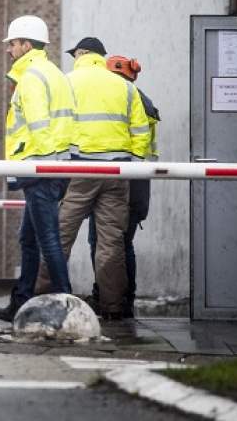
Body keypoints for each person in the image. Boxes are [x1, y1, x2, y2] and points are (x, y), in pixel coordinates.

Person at [38, 37, 151, 320]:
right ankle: (113, 308)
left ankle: (42, 301)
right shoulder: (125, 86)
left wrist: (56, 162)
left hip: (79, 171)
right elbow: (140, 132)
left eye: (75, 54)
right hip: (117, 173)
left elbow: (56, 125)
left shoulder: (66, 82)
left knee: (59, 236)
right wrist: (133, 167)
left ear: (83, 54)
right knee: (111, 243)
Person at [0, 15, 77, 323]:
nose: (9, 50)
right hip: (53, 166)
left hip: (40, 168)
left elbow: (39, 126)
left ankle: (68, 306)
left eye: (12, 43)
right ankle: (21, 299)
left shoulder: (31, 78)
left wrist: (39, 165)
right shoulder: (54, 73)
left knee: (47, 239)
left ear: (26, 45)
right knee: (28, 238)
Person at [87, 55, 160, 317]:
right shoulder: (143, 101)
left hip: (124, 184)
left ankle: (112, 298)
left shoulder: (128, 100)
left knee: (105, 243)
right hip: (136, 186)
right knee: (120, 243)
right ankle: (120, 298)